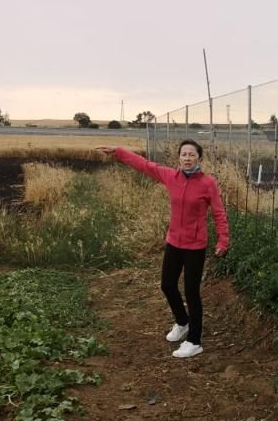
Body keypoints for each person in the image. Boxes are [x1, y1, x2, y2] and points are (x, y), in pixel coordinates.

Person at [96, 140, 229, 359]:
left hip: (195, 246)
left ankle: (194, 341)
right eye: (184, 154)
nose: (187, 158)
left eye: (192, 155)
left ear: (200, 159)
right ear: (179, 158)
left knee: (192, 293)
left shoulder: (208, 183)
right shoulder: (171, 176)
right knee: (167, 285)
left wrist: (223, 240)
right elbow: (145, 165)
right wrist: (118, 152)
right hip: (174, 242)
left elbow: (219, 213)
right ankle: (183, 322)